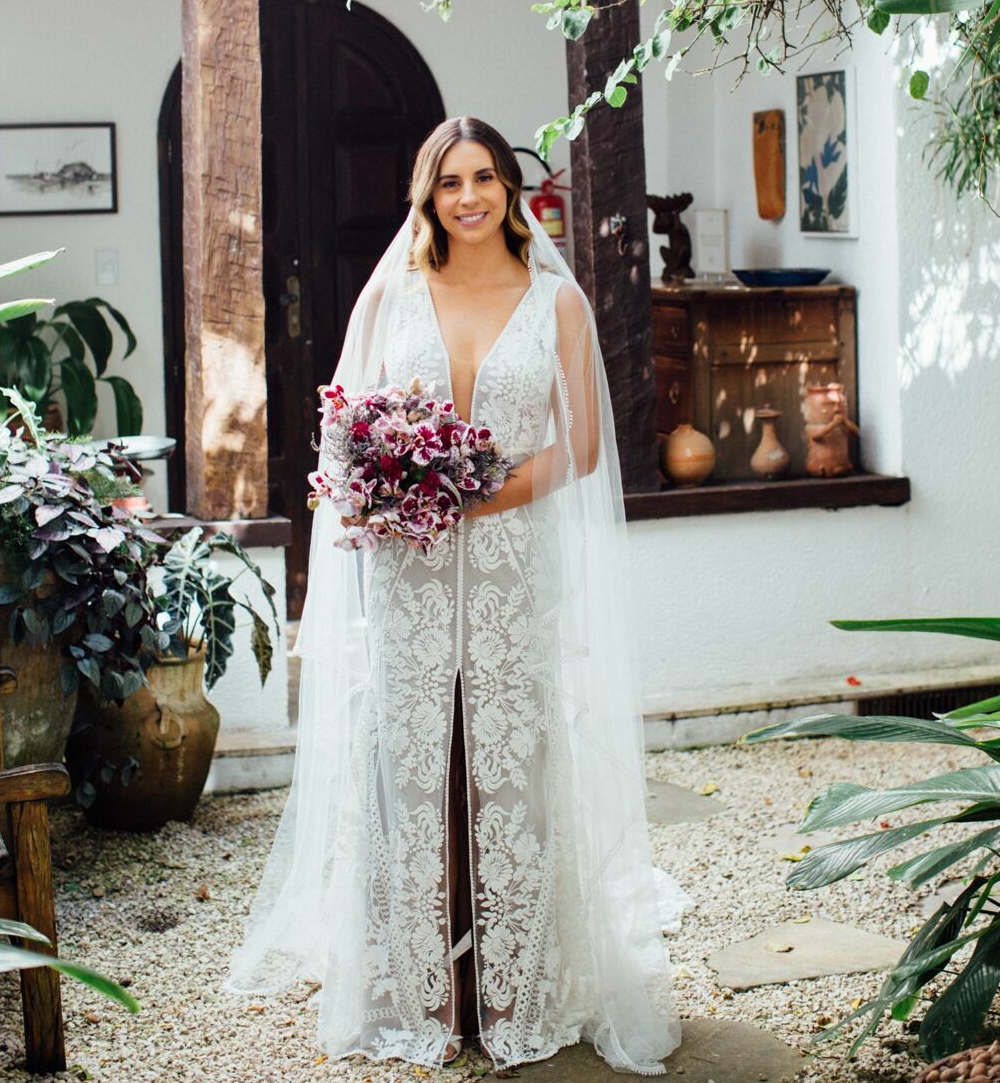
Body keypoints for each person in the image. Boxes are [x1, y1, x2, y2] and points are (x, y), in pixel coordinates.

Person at [227, 117, 681, 1074]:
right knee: (410, 763)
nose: (468, 197)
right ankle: (421, 992)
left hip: (515, 565)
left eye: (485, 179)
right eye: (449, 183)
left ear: (511, 190)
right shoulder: (391, 293)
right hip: (407, 574)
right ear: (426, 198)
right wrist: (389, 500)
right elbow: (342, 429)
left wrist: (470, 498)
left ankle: (516, 984)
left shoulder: (554, 301)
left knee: (508, 759)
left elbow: (584, 446)